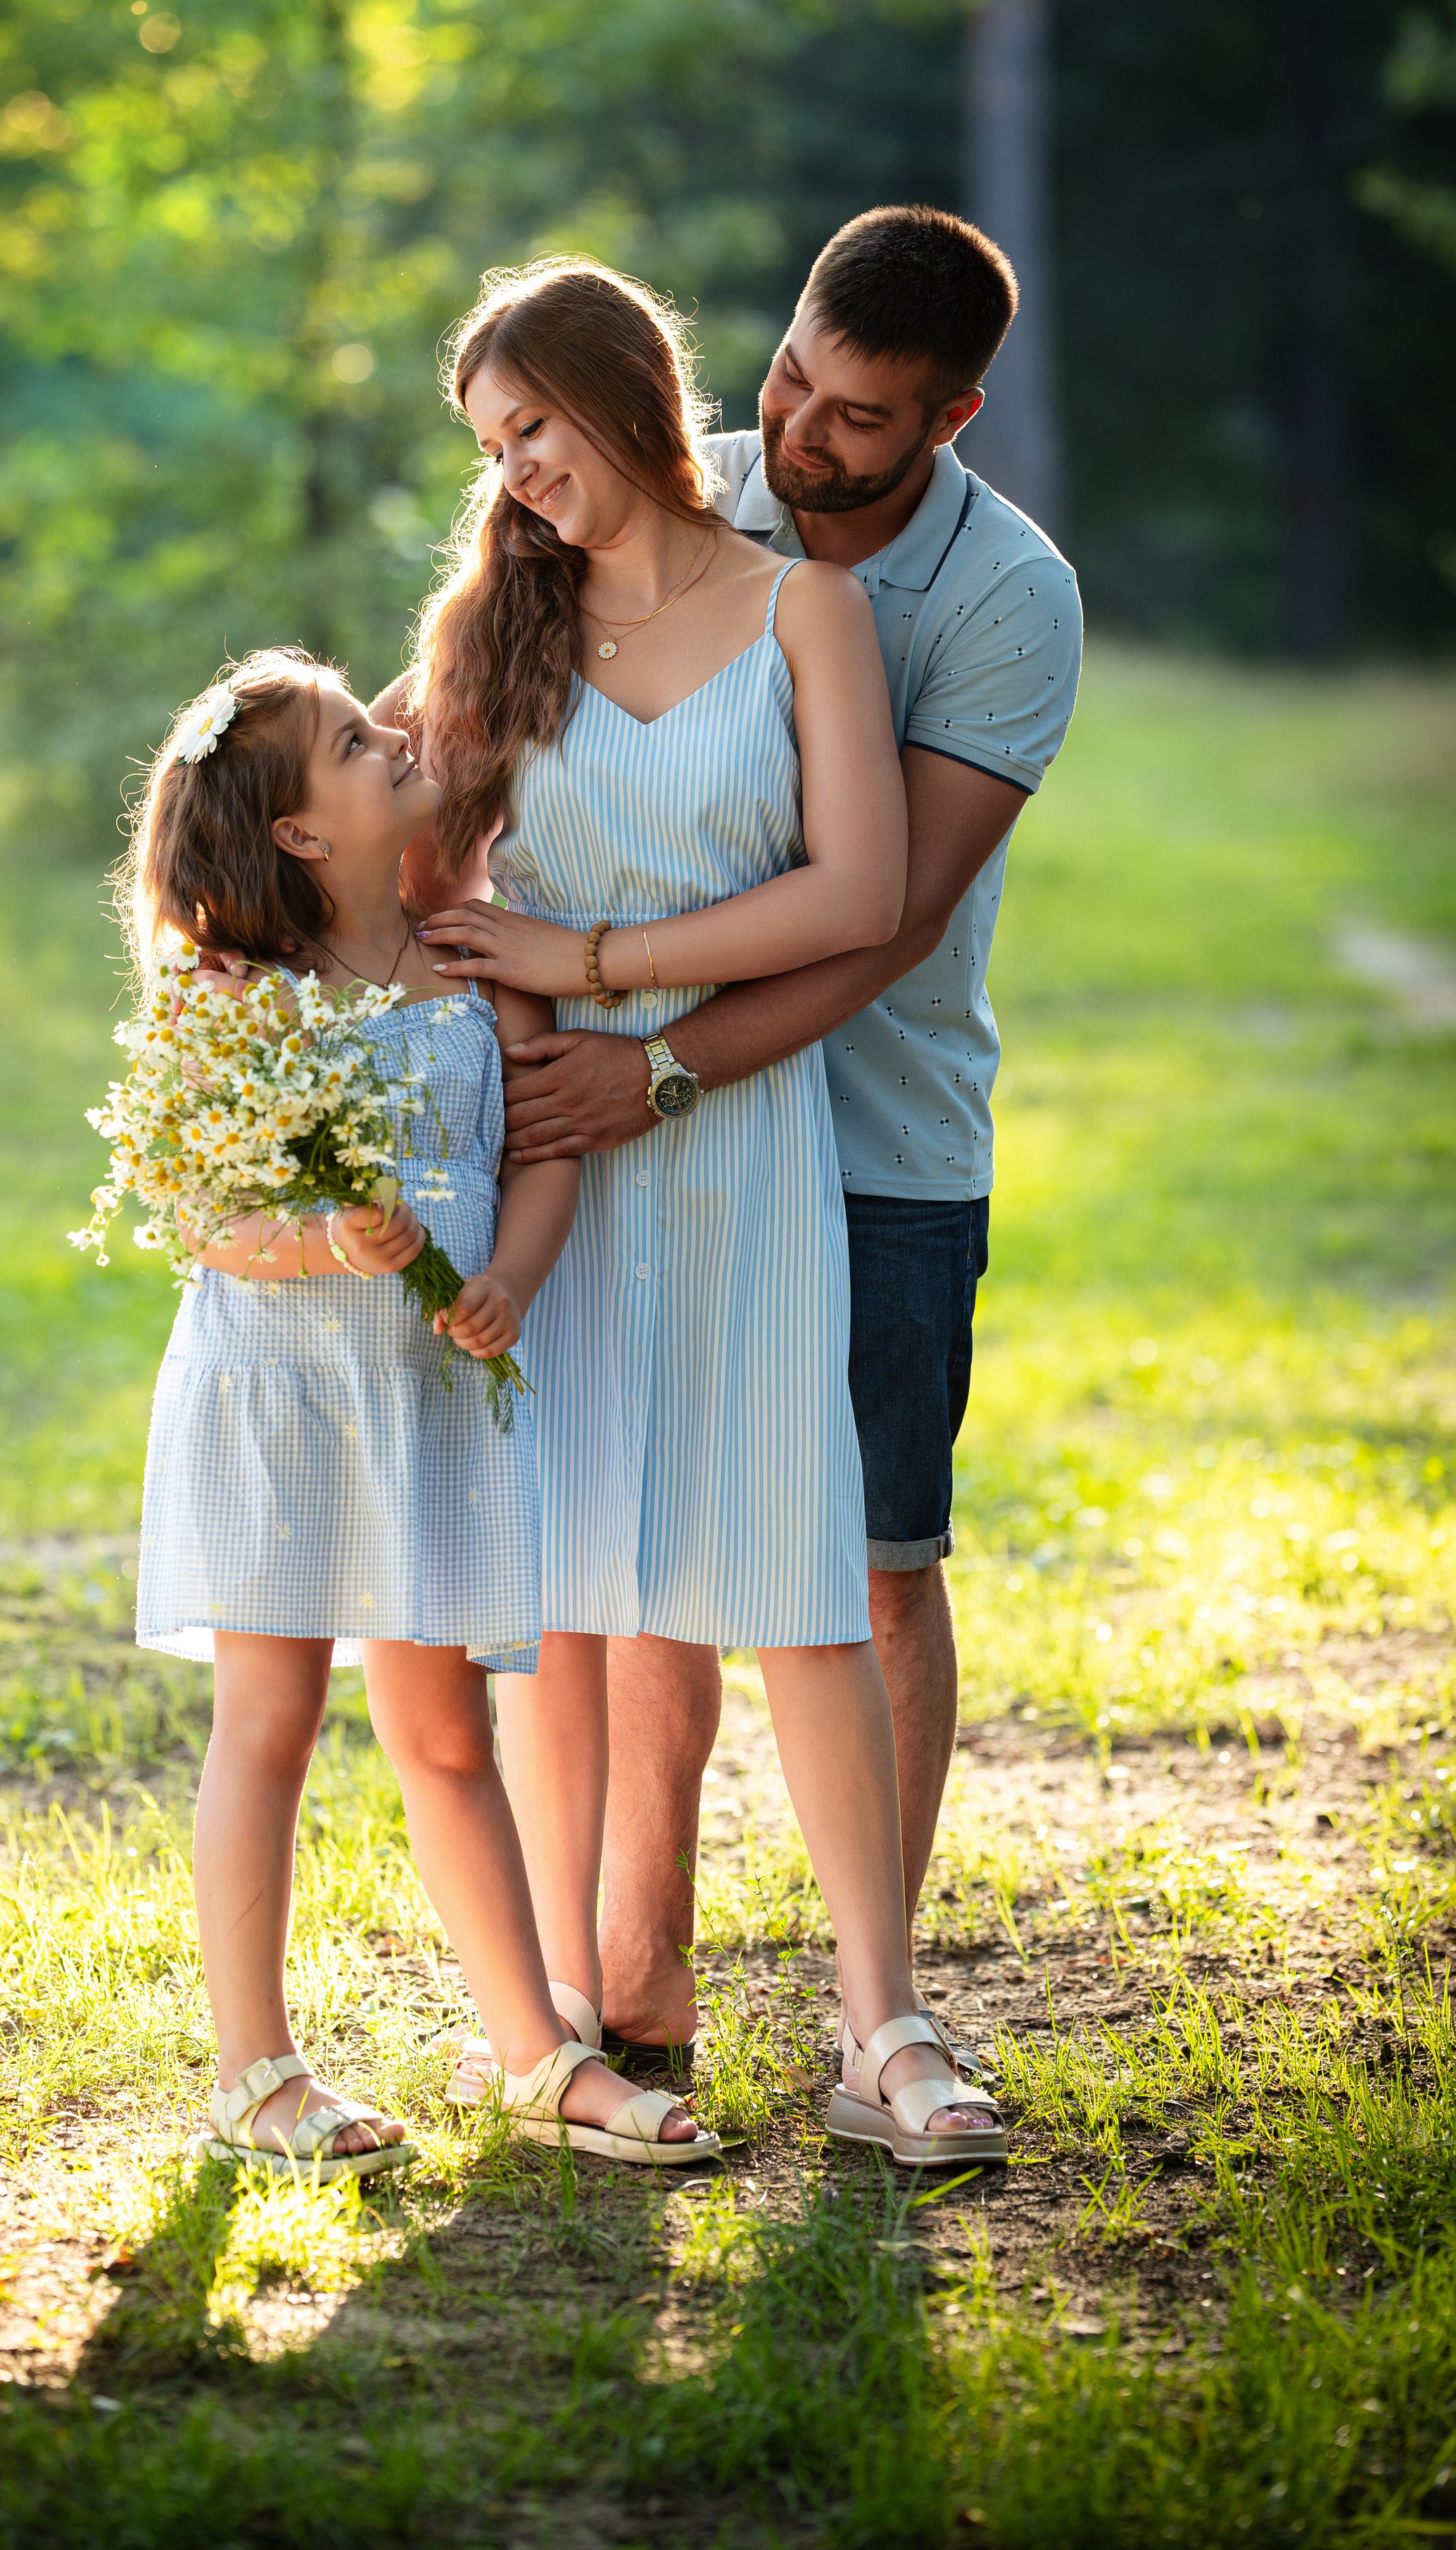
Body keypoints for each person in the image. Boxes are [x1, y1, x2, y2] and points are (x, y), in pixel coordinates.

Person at [404, 258, 1004, 2162]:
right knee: (569, 1595)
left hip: (744, 1145)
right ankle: (572, 2018)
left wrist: (600, 962)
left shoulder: (809, 614)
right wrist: (512, 1036)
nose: (518, 477)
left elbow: (856, 896)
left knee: (807, 1589)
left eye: (534, 431)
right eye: (493, 450)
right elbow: (415, 885)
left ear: (621, 393)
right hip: (556, 1170)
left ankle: (885, 2032)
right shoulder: (495, 632)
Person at [497, 207, 1084, 2063]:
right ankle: (635, 1975)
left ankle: (867, 2011)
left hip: (880, 1126)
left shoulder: (1007, 600)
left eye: (860, 420)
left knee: (874, 1565)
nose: (803, 441)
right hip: (639, 1128)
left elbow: (888, 914)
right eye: (791, 383)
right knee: (648, 1559)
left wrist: (654, 1058)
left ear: (956, 417)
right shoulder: (694, 501)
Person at [125, 645, 723, 2176]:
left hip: (422, 1399)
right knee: (266, 1719)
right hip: (279, 1396)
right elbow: (199, 1215)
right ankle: (255, 2071)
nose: (390, 729)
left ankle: (535, 2052)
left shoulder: (470, 958)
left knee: (446, 1732)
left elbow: (540, 1154)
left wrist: (509, 1281)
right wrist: (327, 1241)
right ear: (302, 835)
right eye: (347, 737)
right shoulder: (231, 996)